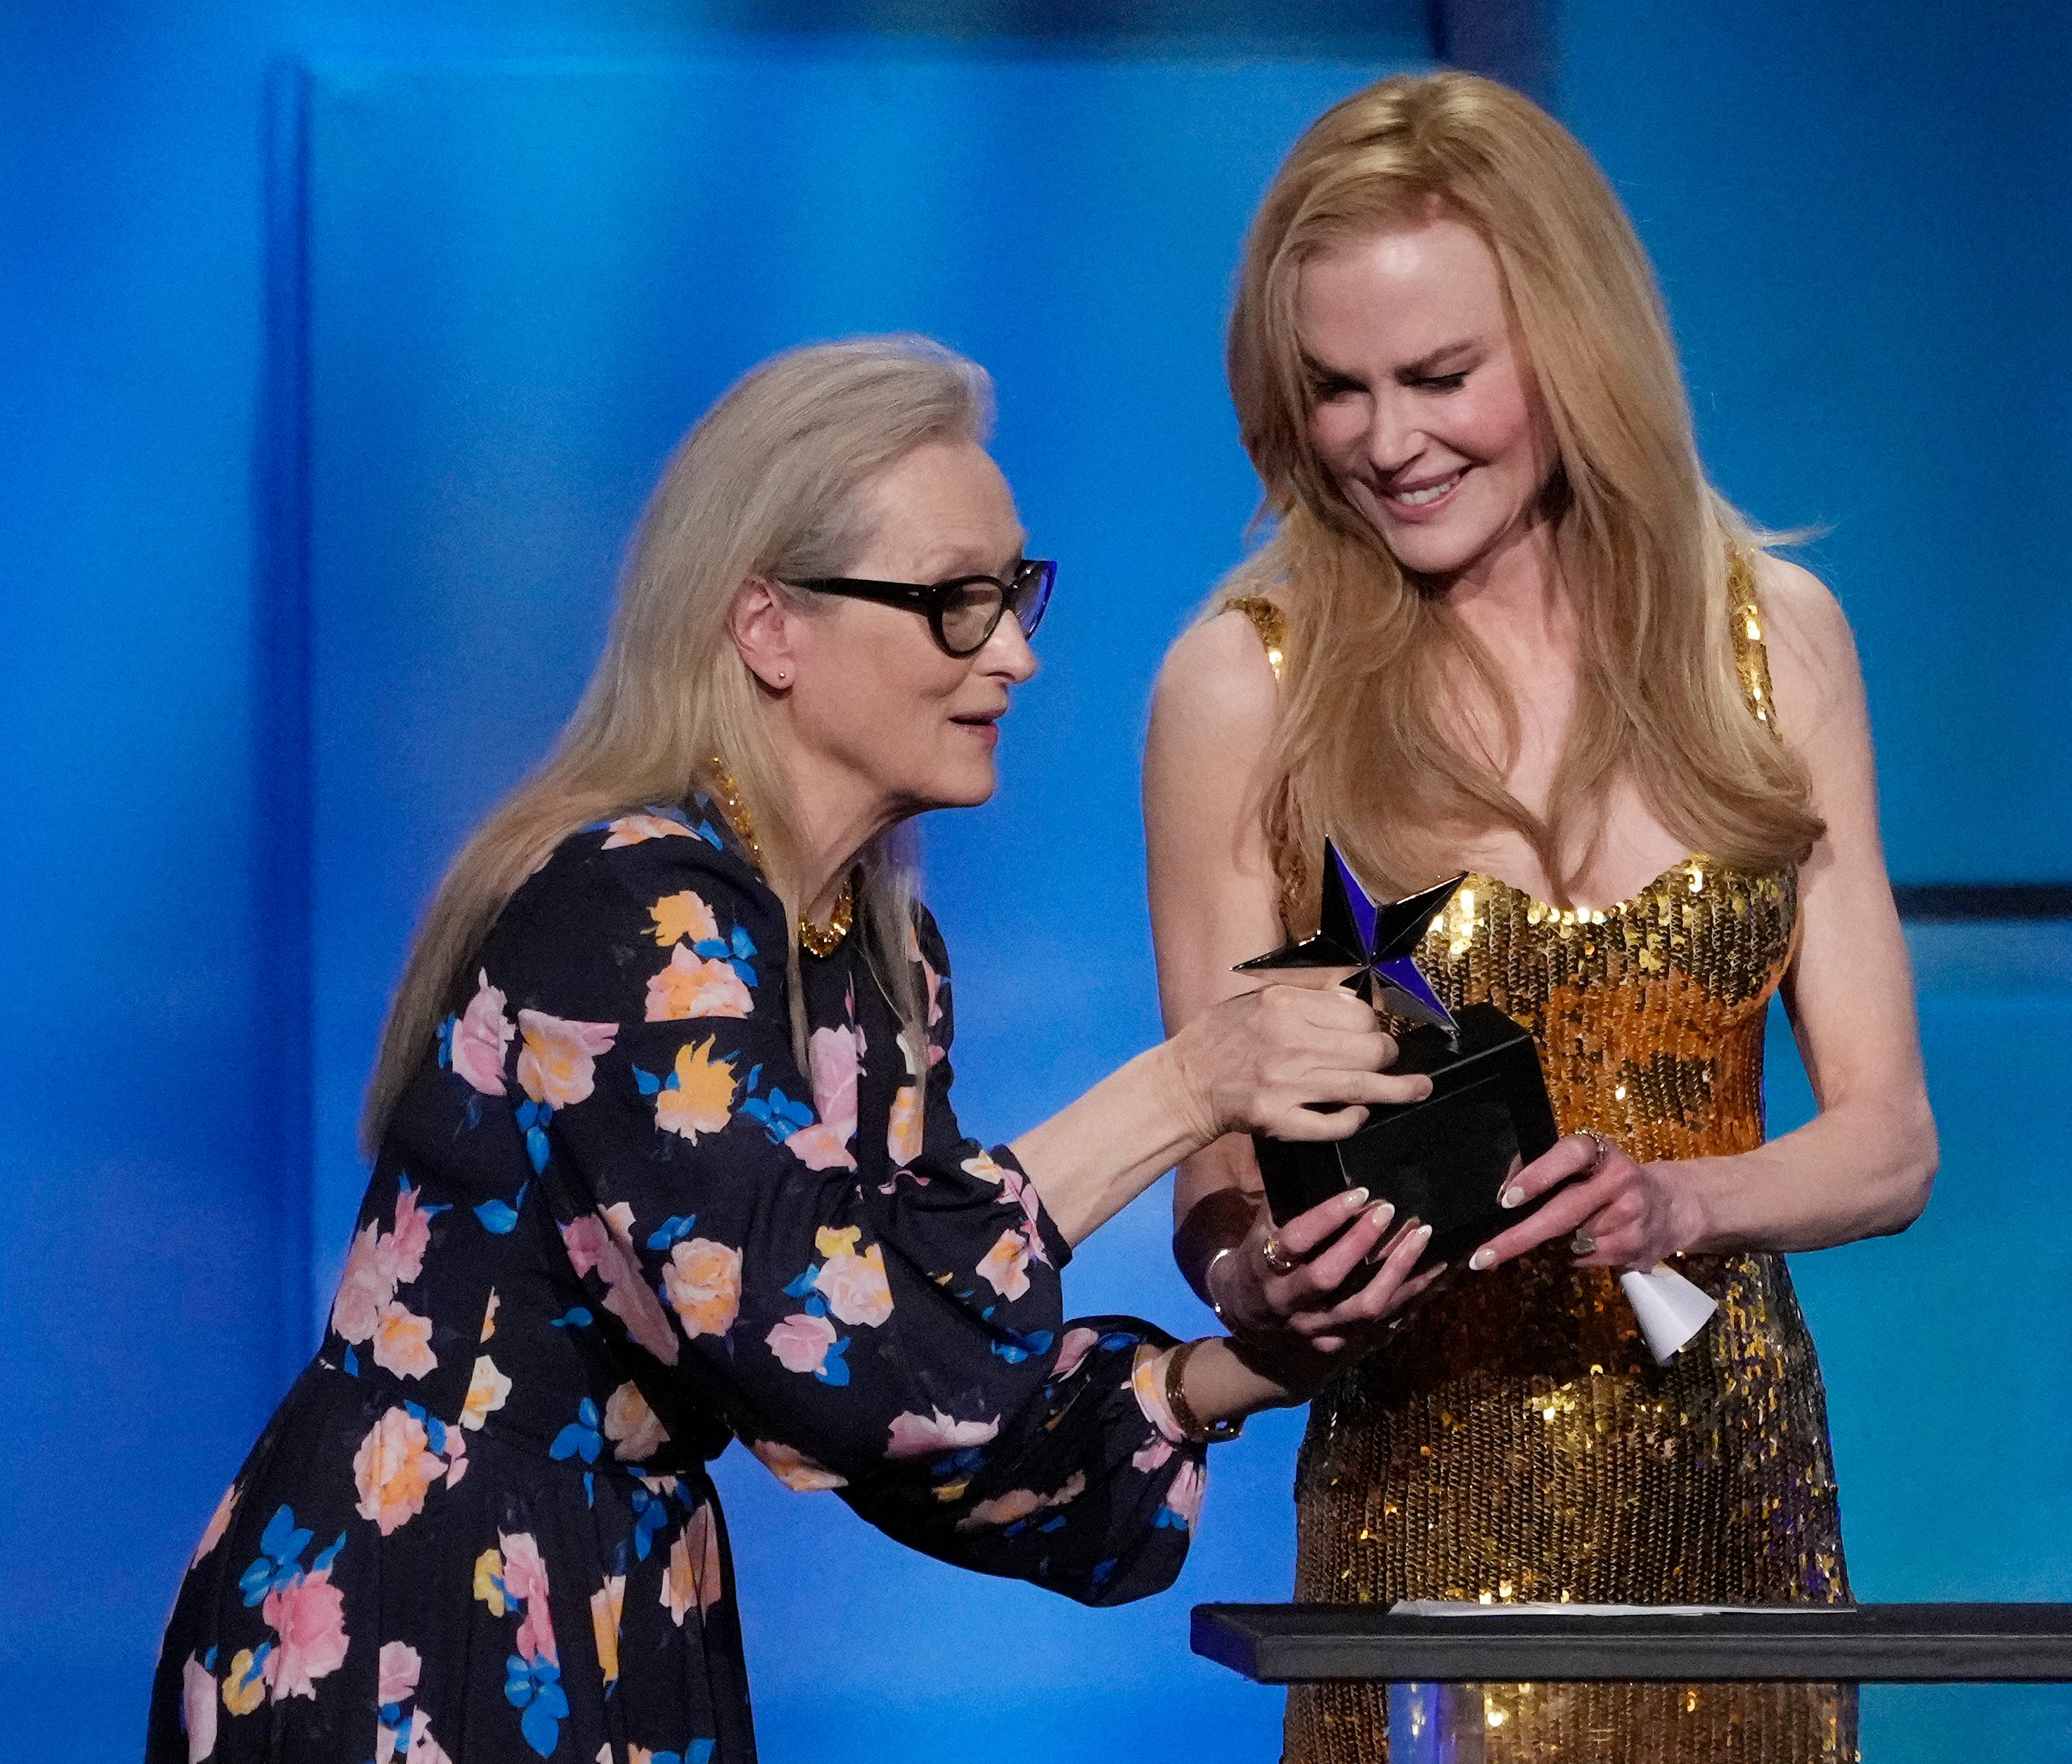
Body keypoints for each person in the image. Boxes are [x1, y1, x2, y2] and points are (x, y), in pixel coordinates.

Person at [148, 337, 1441, 1764]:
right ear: (767, 625)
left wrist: (1249, 1363)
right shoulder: (628, 908)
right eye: (958, 602)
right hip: (418, 1605)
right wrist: (1191, 1081)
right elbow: (828, 1328)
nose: (1017, 650)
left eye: (1013, 594)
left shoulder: (871, 957)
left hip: (627, 1595)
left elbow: (906, 1399)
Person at [1145, 74, 1938, 1763]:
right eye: (1336, 388)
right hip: (1423, 1509)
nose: (1386, 439)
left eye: (1439, 377)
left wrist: (1677, 1199)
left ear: (1573, 347)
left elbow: (1887, 1143)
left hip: (1734, 1502)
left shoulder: (1774, 644)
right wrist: (1259, 1278)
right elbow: (1209, 1176)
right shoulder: (1244, 686)